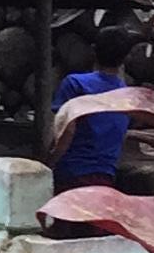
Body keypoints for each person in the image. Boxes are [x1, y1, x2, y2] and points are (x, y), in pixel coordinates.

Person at [52, 20, 137, 191]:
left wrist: (50, 162)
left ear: (93, 50)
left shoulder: (74, 84)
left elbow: (66, 129)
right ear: (125, 58)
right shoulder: (128, 96)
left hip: (71, 173)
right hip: (105, 176)